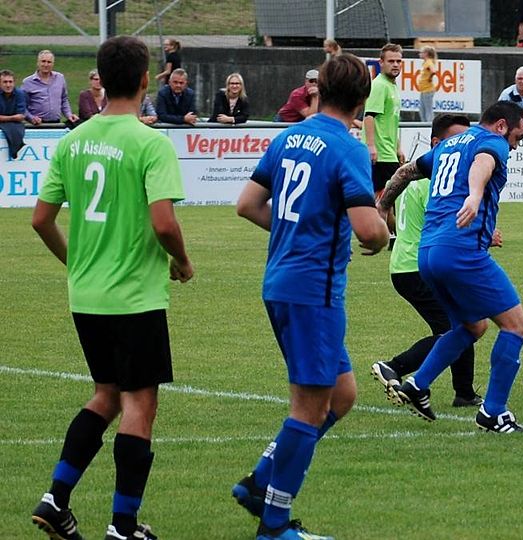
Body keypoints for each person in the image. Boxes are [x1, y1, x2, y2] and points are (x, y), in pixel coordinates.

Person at [29, 35, 193, 540]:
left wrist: (76, 263)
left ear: (101, 78)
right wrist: (182, 260)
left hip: (87, 296)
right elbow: (163, 223)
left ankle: (55, 498)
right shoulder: (150, 143)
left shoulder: (72, 141)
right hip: (134, 297)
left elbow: (41, 220)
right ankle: (123, 526)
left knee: (106, 395)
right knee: (139, 403)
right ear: (146, 80)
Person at [233, 53, 389, 540]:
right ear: (362, 101)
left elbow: (247, 205)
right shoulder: (347, 148)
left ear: (319, 89)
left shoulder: (288, 137)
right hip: (312, 291)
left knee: (342, 395)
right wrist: (383, 233)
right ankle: (274, 525)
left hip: (281, 281)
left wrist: (295, 232)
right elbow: (368, 230)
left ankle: (260, 481)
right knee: (309, 407)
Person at [381, 101, 523, 433]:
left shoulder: (447, 145)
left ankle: (417, 385)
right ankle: (493, 412)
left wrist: (381, 206)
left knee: (472, 326)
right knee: (518, 326)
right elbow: (483, 163)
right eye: (517, 138)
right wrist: (475, 195)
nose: (515, 147)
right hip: (461, 251)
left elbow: (404, 172)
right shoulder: (491, 141)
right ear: (502, 126)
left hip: (427, 255)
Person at [371, 114, 484, 409]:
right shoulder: (436, 181)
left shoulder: (411, 177)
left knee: (463, 321)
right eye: (455, 140)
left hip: (406, 264)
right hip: (419, 267)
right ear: (436, 143)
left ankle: (464, 392)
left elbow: (398, 218)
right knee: (456, 330)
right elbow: (447, 225)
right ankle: (393, 367)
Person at [363, 43, 404, 197]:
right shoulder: (379, 85)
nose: (395, 65)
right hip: (381, 154)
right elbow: (369, 116)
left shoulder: (391, 86)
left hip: (389, 152)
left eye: (398, 61)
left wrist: (397, 148)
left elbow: (390, 121)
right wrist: (371, 146)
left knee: (389, 200)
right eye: (391, 61)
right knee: (383, 199)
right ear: (381, 63)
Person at [22, 50, 80, 127]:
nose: (46, 64)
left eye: (49, 62)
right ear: (38, 63)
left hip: (56, 124)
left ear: (53, 64)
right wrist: (31, 118)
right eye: (43, 61)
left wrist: (69, 115)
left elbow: (64, 99)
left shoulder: (60, 78)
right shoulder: (28, 82)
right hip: (36, 125)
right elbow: (21, 106)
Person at [0, 69, 27, 159]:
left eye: (10, 82)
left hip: (15, 126)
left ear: (14, 83)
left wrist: (4, 118)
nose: (8, 85)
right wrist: (13, 118)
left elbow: (21, 116)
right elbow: (17, 117)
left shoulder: (20, 94)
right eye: (5, 82)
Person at [416, 46, 438, 123]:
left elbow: (433, 71)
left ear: (426, 54)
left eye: (421, 53)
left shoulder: (429, 62)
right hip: (424, 89)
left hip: (428, 89)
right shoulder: (425, 63)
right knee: (422, 110)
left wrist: (430, 78)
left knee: (428, 110)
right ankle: (424, 124)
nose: (419, 54)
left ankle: (429, 124)